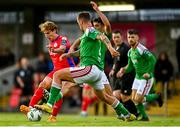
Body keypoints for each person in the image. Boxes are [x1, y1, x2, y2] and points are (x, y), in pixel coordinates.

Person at [35, 12, 136, 122]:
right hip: (97, 73)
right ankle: (127, 114)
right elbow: (82, 52)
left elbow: (103, 37)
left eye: (78, 23)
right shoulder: (87, 36)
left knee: (57, 75)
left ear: (81, 22)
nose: (79, 25)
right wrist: (69, 54)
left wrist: (111, 48)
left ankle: (49, 105)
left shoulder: (89, 30)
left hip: (90, 69)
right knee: (105, 97)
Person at [20, 21, 75, 122]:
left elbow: (62, 49)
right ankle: (30, 108)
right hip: (56, 70)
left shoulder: (63, 39)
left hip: (68, 70)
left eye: (48, 33)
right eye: (45, 33)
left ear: (54, 30)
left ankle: (53, 116)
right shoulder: (51, 43)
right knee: (42, 84)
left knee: (58, 93)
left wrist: (54, 50)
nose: (46, 36)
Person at [117, 29, 163, 121]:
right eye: (129, 37)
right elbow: (130, 66)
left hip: (146, 78)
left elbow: (153, 59)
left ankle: (156, 96)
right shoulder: (130, 52)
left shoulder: (141, 49)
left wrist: (149, 72)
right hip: (137, 77)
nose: (130, 39)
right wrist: (123, 70)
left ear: (137, 38)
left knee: (138, 99)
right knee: (134, 99)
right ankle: (145, 117)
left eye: (132, 37)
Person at [80, 1, 112, 117]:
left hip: (100, 70)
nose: (95, 28)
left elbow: (108, 26)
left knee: (109, 97)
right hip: (91, 68)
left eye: (98, 26)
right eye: (94, 26)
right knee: (84, 90)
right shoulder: (91, 36)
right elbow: (82, 47)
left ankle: (124, 112)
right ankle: (83, 111)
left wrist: (97, 10)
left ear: (102, 27)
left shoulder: (104, 35)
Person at [109, 30, 138, 117]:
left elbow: (131, 63)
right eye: (114, 37)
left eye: (118, 37)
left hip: (127, 76)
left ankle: (135, 113)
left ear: (122, 37)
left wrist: (123, 70)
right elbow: (116, 62)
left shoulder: (125, 49)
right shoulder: (116, 48)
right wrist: (113, 69)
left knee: (124, 97)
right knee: (116, 95)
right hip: (118, 77)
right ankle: (125, 113)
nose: (116, 39)